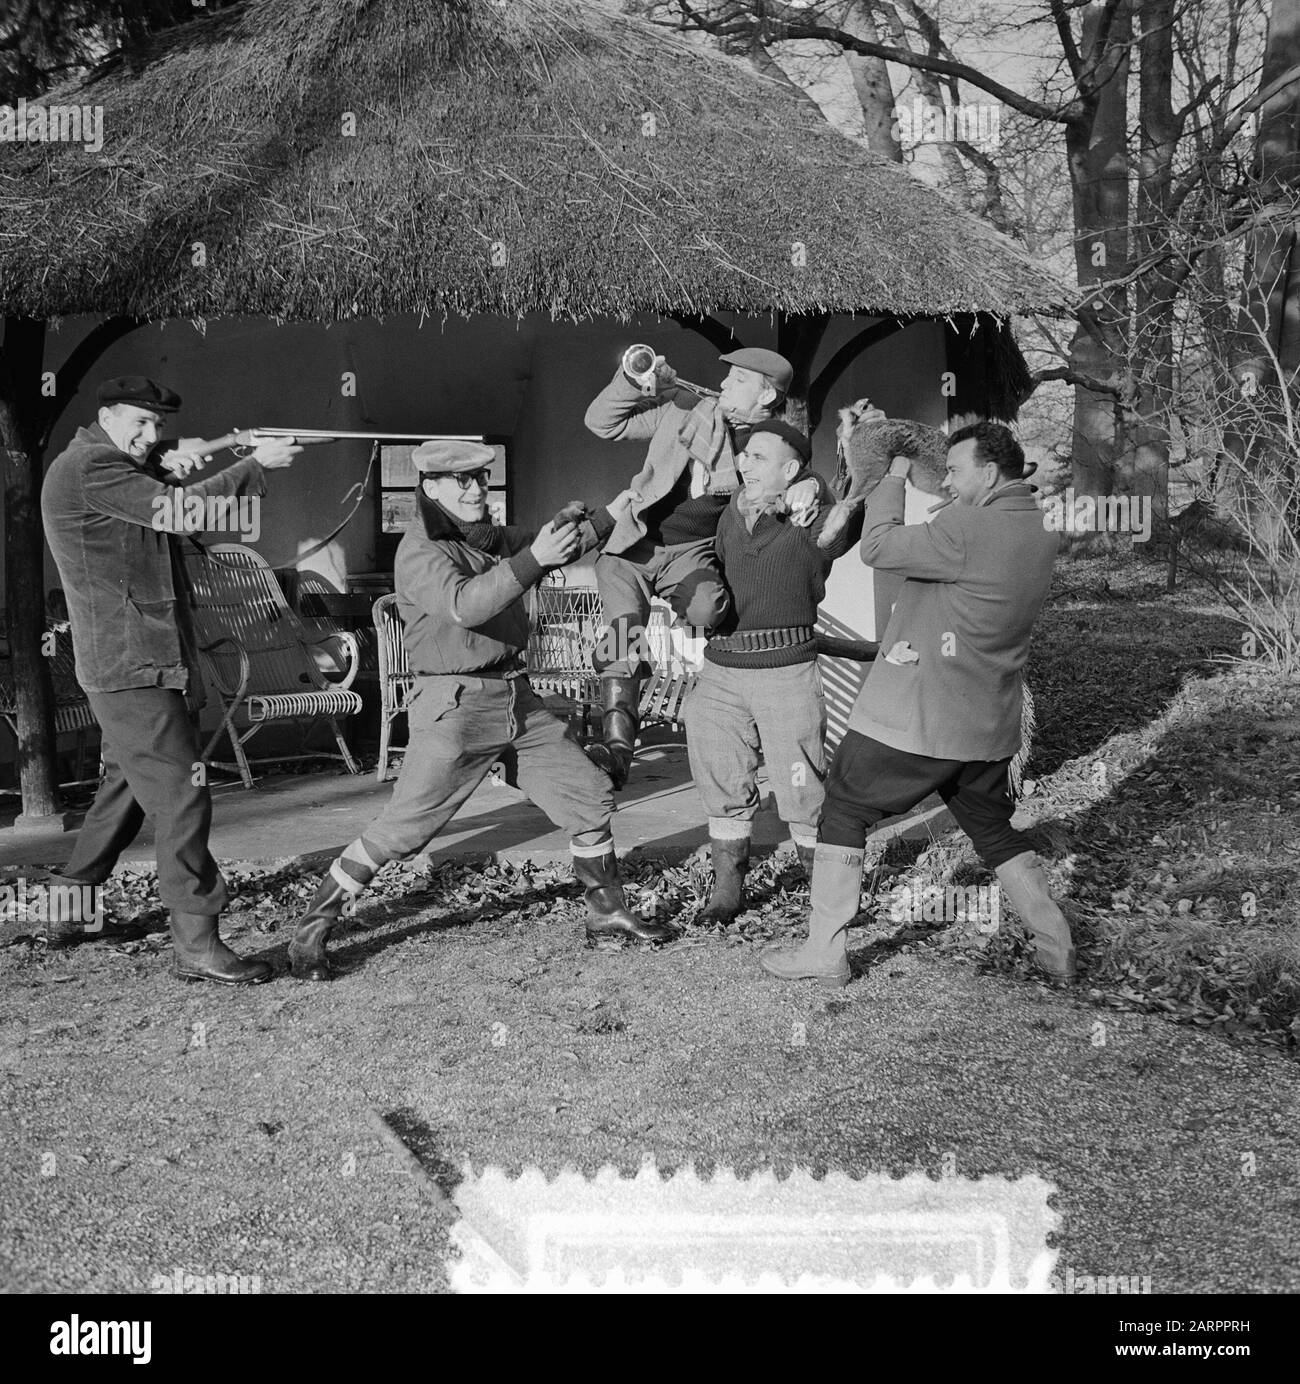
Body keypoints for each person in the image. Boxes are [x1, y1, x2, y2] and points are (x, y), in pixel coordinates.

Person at [287, 440, 674, 981]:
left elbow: (563, 542)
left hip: (518, 699)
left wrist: (623, 504)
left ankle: (606, 916)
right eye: (460, 481)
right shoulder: (421, 550)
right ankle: (310, 932)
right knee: (404, 831)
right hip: (455, 705)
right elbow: (465, 605)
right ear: (430, 487)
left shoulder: (485, 537)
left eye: (480, 478)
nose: (475, 489)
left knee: (587, 795)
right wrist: (534, 557)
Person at [760, 422, 1077, 987]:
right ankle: (1057, 946)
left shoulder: (968, 526)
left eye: (955, 471)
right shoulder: (1038, 528)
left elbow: (879, 546)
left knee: (845, 808)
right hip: (986, 724)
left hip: (921, 716)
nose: (949, 483)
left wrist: (893, 474)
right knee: (994, 831)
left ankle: (825, 951)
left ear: (988, 471)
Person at [40, 375, 302, 984]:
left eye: (158, 426)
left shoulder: (113, 468)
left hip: (139, 661)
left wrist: (172, 466)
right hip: (130, 665)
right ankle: (196, 943)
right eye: (139, 422)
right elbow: (183, 513)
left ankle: (68, 909)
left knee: (124, 787)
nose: (150, 435)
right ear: (105, 416)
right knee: (184, 794)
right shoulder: (88, 469)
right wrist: (255, 465)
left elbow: (160, 513)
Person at [582, 346, 799, 788]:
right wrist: (638, 381)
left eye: (738, 380)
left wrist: (808, 489)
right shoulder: (683, 408)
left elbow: (800, 477)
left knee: (707, 608)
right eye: (726, 378)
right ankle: (619, 750)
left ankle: (702, 657)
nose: (722, 386)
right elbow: (600, 423)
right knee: (622, 639)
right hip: (632, 549)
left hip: (690, 554)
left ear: (767, 397)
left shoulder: (769, 446)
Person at [684, 420, 863, 925]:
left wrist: (818, 484)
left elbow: (850, 516)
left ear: (790, 469)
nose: (744, 464)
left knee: (801, 786)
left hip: (786, 674)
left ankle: (826, 900)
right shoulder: (726, 516)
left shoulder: (811, 517)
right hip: (720, 672)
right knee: (721, 779)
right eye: (743, 456)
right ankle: (727, 892)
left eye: (758, 457)